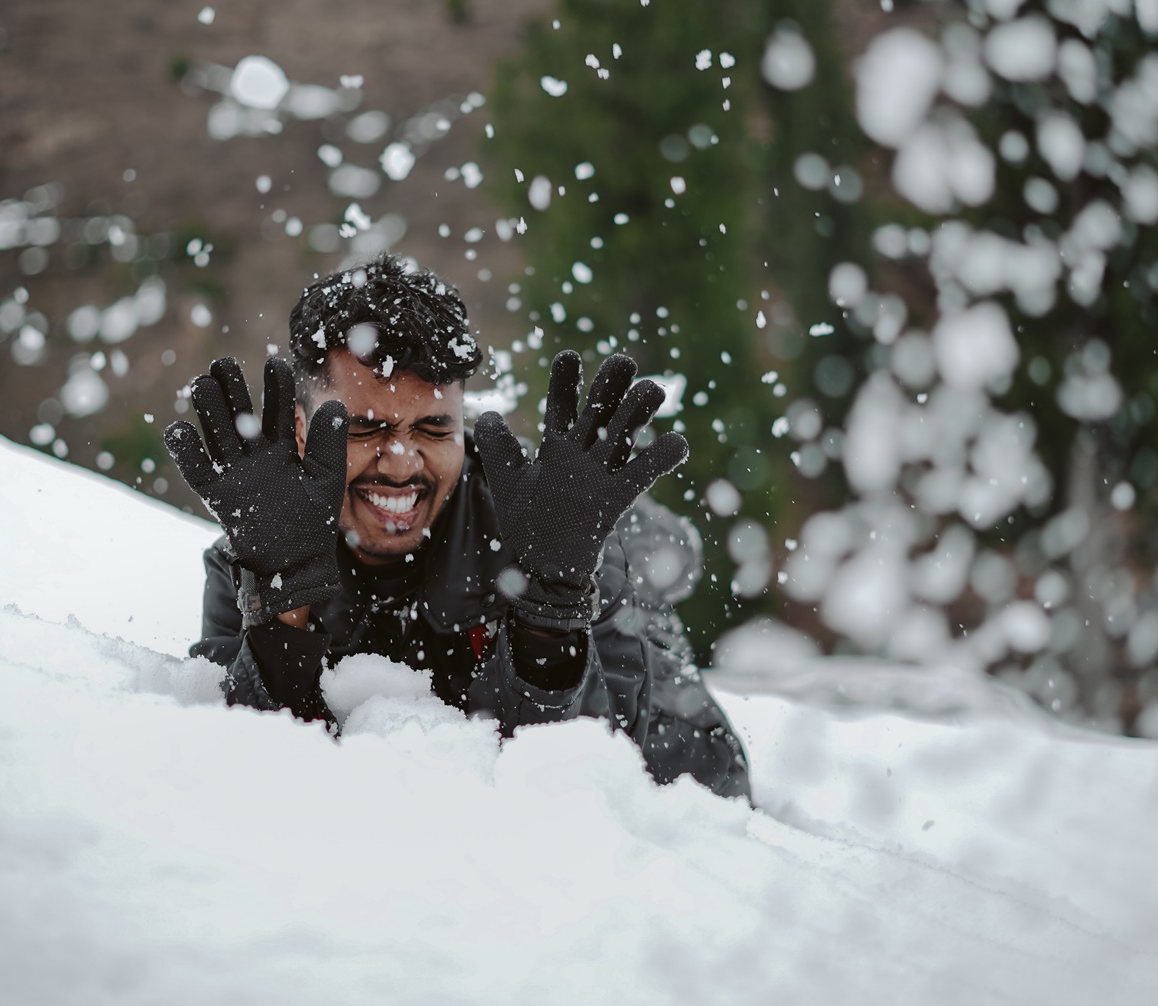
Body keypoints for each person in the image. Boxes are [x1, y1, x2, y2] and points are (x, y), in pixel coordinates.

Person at [164, 253, 749, 798]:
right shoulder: (256, 551)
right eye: (365, 430)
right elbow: (256, 776)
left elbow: (612, 786)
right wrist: (283, 593)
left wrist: (552, 610)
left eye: (434, 429)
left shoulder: (562, 534)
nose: (401, 462)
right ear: (300, 429)